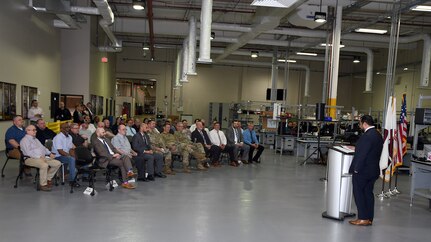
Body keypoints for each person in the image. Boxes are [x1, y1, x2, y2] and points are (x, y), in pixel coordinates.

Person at [348, 115, 383, 226]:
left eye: (360, 123)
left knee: (359, 193)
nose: (359, 126)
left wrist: (356, 169)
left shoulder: (367, 136)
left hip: (363, 171)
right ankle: (369, 218)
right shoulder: (377, 134)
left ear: (364, 124)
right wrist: (356, 148)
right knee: (368, 193)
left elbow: (362, 155)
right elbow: (369, 149)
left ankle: (363, 218)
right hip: (373, 170)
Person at [20, 125, 62, 191]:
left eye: (35, 130)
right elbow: (28, 153)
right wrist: (39, 157)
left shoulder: (35, 139)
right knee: (44, 165)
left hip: (42, 157)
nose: (35, 131)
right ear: (27, 131)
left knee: (57, 163)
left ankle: (48, 178)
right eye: (33, 130)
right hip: (29, 159)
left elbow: (43, 148)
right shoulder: (24, 140)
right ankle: (42, 184)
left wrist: (49, 153)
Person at [52, 123, 78, 187]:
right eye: (66, 128)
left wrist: (74, 155)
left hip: (65, 155)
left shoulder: (69, 137)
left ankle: (77, 175)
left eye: (68, 127)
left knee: (76, 157)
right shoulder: (58, 137)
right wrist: (70, 156)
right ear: (61, 129)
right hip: (57, 156)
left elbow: (70, 149)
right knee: (71, 159)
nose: (68, 129)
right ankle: (72, 181)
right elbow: (60, 151)